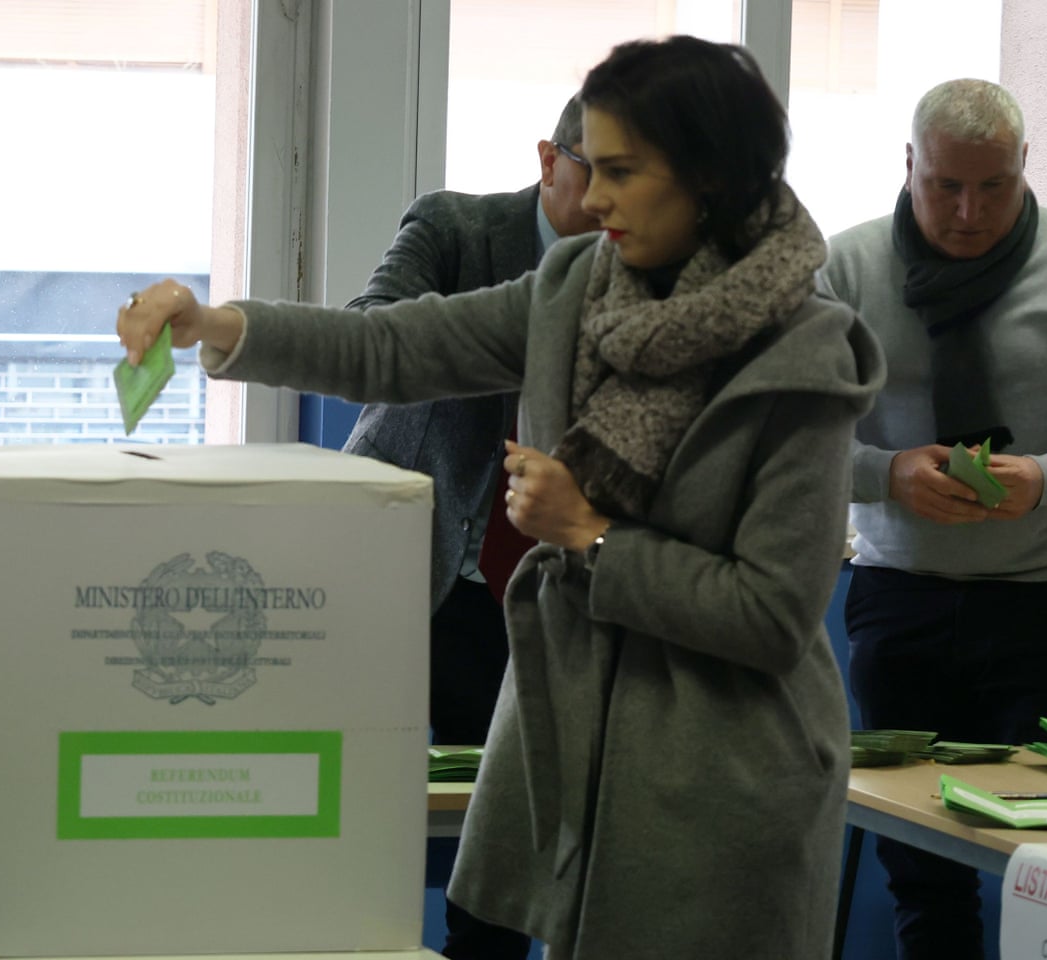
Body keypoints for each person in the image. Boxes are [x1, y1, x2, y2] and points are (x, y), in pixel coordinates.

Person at [118, 35, 884, 959]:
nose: (590, 197)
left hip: (718, 780)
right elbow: (393, 347)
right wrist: (221, 323)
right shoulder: (576, 286)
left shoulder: (805, 354)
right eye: (587, 167)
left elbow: (772, 614)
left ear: (708, 176)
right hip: (569, 745)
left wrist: (590, 537)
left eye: (620, 171)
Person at [818, 78, 1047, 960]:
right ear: (909, 165)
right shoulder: (847, 268)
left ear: (1025, 167)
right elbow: (787, 439)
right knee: (921, 868)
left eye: (994, 186)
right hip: (900, 597)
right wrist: (886, 471)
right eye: (945, 185)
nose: (968, 211)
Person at [341, 94, 597, 960]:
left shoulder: (646, 271)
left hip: (542, 588)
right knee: (351, 802)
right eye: (593, 171)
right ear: (547, 160)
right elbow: (374, 331)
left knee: (508, 843)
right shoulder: (455, 227)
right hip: (416, 562)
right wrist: (522, 334)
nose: (607, 201)